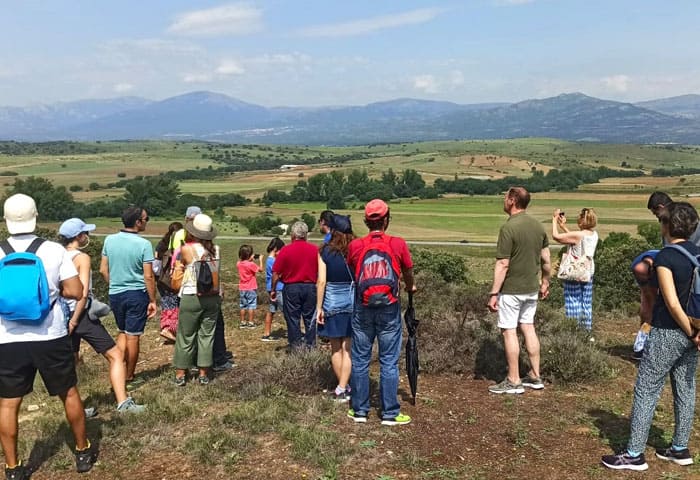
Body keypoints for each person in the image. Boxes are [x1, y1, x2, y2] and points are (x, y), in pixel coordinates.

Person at [0, 194, 96, 478]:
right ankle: (82, 451)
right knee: (68, 392)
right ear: (36, 215)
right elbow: (76, 291)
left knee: (8, 403)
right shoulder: (54, 250)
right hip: (50, 334)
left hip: (7, 338)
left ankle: (13, 467)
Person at [602, 202, 700, 471]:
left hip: (670, 331)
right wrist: (696, 333)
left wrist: (689, 332)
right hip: (695, 332)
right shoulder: (698, 254)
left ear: (667, 225)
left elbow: (670, 302)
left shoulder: (666, 257)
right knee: (685, 389)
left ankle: (634, 454)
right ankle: (679, 448)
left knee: (647, 388)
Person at [59, 218, 145, 414]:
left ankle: (76, 408)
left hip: (62, 315)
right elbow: (81, 292)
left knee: (69, 362)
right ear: (78, 237)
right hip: (81, 316)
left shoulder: (58, 257)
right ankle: (123, 402)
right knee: (115, 355)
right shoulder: (82, 258)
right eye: (85, 234)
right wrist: (75, 320)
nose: (87, 237)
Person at [347, 199, 416, 426]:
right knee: (388, 361)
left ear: (367, 221)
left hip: (363, 307)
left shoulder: (356, 246)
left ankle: (359, 410)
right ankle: (390, 413)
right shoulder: (397, 244)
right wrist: (409, 286)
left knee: (360, 359)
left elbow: (352, 272)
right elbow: (407, 271)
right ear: (386, 220)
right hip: (389, 307)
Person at [487, 187, 551, 394]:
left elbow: (503, 263)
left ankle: (513, 379)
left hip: (512, 289)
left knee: (509, 331)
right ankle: (534, 375)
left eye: (505, 197)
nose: (504, 200)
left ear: (512, 200)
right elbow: (546, 260)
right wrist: (545, 282)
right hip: (531, 288)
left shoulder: (509, 228)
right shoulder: (538, 226)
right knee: (528, 327)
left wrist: (494, 293)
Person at [100, 206, 156, 390]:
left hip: (116, 293)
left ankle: (118, 369)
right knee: (133, 336)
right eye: (146, 219)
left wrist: (114, 284)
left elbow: (103, 270)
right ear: (138, 222)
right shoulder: (144, 244)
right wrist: (153, 299)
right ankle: (130, 375)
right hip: (136, 293)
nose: (147, 222)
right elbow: (148, 276)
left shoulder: (109, 240)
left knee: (122, 331)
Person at [172, 214, 221, 386]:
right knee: (206, 335)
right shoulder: (216, 250)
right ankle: (203, 373)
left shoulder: (186, 249)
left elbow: (180, 268)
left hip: (191, 294)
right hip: (213, 296)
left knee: (186, 334)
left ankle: (180, 374)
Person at [315, 214, 355, 402]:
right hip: (352, 300)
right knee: (348, 349)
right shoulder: (355, 250)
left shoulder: (324, 251)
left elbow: (321, 281)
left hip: (331, 300)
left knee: (335, 348)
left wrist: (319, 308)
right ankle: (344, 387)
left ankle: (342, 387)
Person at [271, 221, 318, 350]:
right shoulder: (314, 249)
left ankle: (296, 347)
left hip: (291, 288)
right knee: (310, 318)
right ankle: (311, 346)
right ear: (306, 235)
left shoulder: (286, 250)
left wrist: (273, 289)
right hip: (310, 287)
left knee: (293, 319)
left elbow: (276, 273)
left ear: (292, 235)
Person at [551, 208, 599, 332]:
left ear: (582, 220)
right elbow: (575, 241)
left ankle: (574, 329)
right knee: (586, 302)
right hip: (588, 271)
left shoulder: (578, 235)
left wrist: (554, 220)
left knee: (573, 300)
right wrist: (564, 227)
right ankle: (586, 331)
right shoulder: (594, 235)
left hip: (574, 271)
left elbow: (556, 237)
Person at [155, 221, 183, 343]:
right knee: (174, 304)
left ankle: (167, 327)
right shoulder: (179, 246)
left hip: (162, 279)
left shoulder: (162, 245)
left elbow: (156, 262)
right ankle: (169, 330)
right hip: (172, 279)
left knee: (166, 304)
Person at [262, 237, 285, 342]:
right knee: (287, 311)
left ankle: (266, 333)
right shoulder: (273, 261)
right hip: (277, 288)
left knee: (271, 310)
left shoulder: (268, 260)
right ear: (276, 249)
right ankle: (294, 332)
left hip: (271, 288)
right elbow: (277, 274)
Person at [237, 245, 263, 329]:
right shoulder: (251, 264)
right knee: (251, 305)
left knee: (243, 305)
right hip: (251, 287)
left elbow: (244, 263)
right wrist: (261, 260)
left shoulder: (239, 263)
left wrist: (250, 259)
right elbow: (261, 270)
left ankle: (242, 322)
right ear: (249, 255)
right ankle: (251, 322)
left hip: (242, 287)